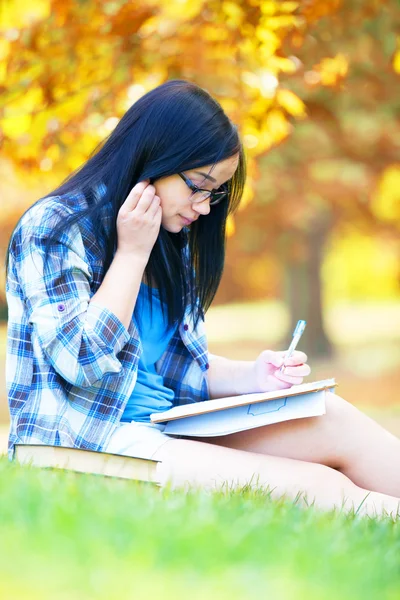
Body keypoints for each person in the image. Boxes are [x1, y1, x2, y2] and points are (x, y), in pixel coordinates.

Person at [5, 79, 400, 519]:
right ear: (153, 159)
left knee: (330, 416)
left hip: (163, 427)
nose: (206, 206)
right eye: (198, 185)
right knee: (318, 485)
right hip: (84, 442)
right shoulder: (56, 228)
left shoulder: (170, 237)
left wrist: (253, 376)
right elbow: (81, 361)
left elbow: (179, 368)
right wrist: (131, 254)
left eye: (216, 192)